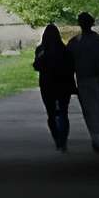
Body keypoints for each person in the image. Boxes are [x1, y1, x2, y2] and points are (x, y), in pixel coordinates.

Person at [73, 12, 99, 154]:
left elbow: (69, 64)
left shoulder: (75, 42)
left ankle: (97, 140)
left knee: (88, 111)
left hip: (83, 79)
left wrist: (73, 83)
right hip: (96, 78)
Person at [33, 22, 75, 151]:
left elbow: (36, 66)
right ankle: (63, 140)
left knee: (51, 114)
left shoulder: (41, 50)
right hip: (63, 85)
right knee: (63, 112)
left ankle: (57, 139)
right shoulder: (64, 49)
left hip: (47, 85)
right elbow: (71, 68)